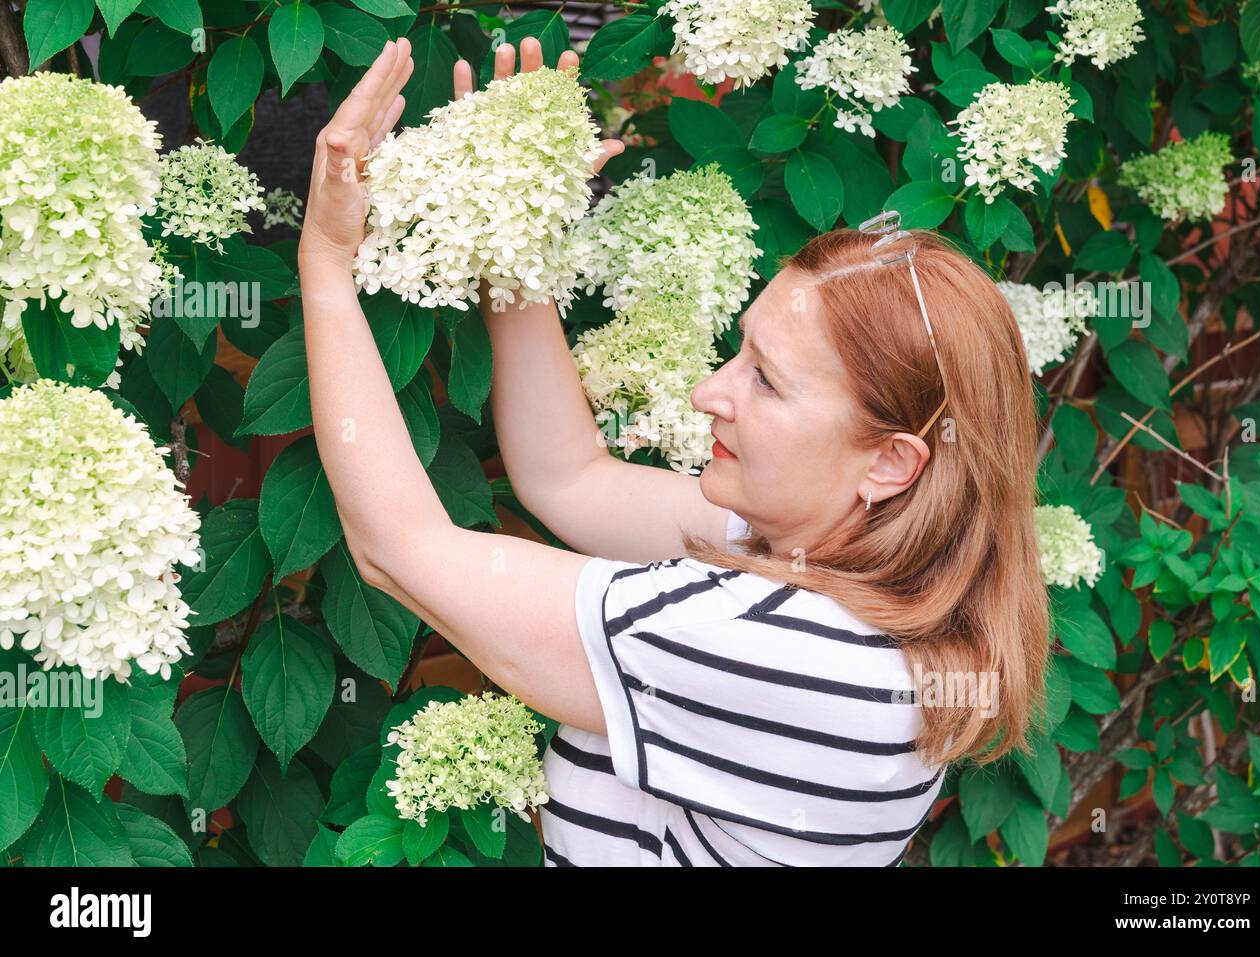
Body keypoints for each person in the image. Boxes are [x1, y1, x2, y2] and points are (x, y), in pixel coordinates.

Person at [299, 36, 1049, 866]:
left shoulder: (783, 652)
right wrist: (511, 206)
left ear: (891, 462)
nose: (708, 394)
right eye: (739, 353)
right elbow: (569, 477)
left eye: (765, 381)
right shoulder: (847, 576)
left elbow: (401, 551)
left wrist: (327, 263)